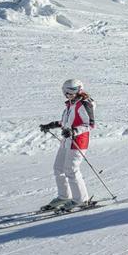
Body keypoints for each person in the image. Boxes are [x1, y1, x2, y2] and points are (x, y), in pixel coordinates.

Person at [38, 79, 95, 211]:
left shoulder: (84, 104)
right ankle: (64, 196)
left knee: (71, 169)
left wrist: (74, 131)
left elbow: (89, 125)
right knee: (58, 169)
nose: (68, 94)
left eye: (71, 91)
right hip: (67, 140)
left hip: (78, 141)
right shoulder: (70, 104)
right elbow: (66, 122)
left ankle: (81, 199)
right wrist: (52, 125)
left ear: (79, 90)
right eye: (66, 92)